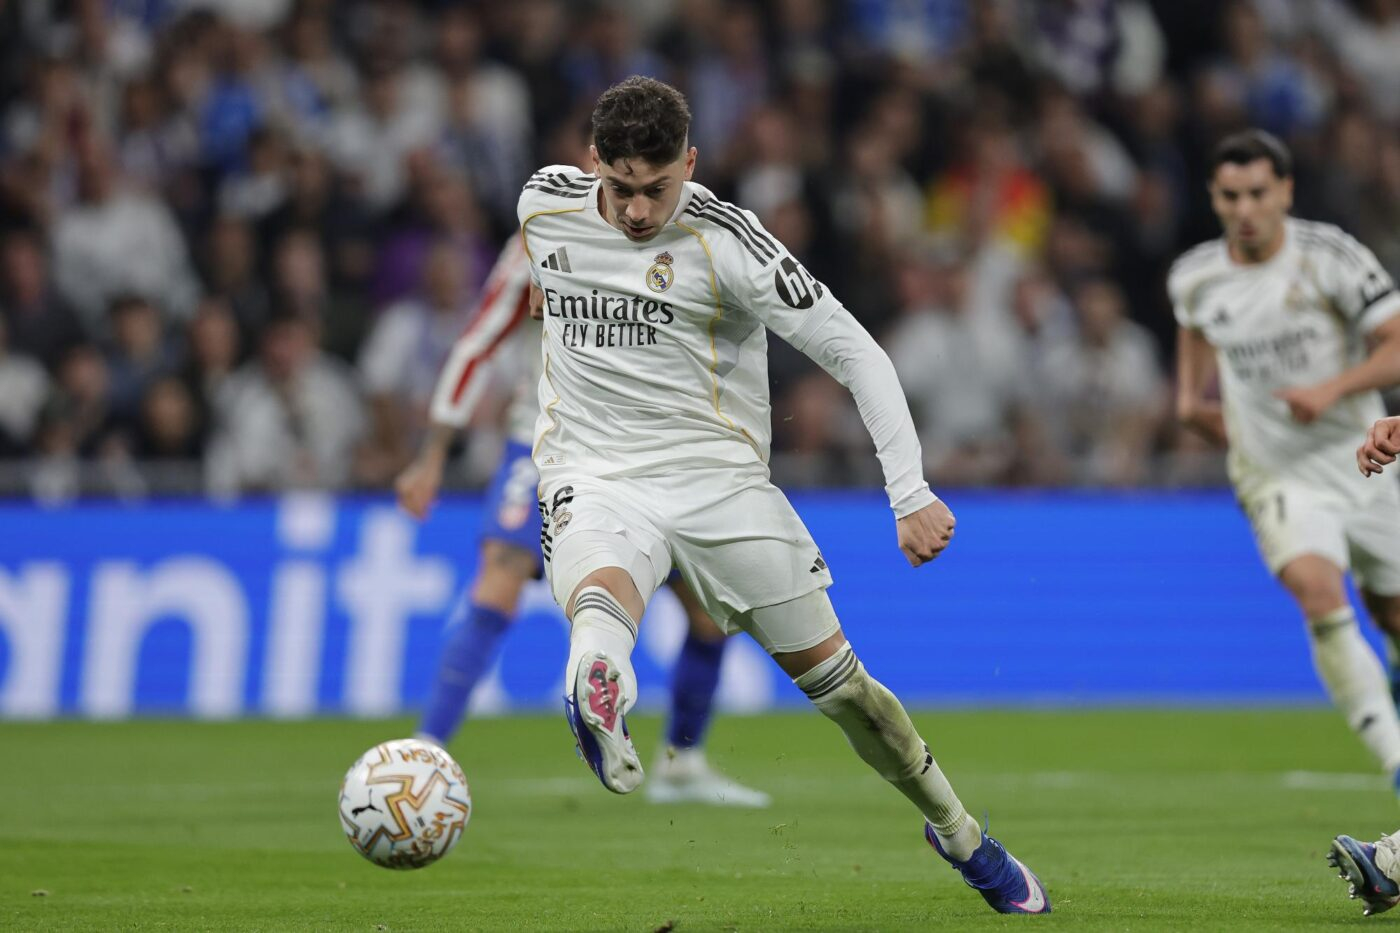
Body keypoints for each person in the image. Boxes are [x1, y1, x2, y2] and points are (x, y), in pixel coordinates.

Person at [518, 75, 1049, 914]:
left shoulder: (732, 244)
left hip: (721, 486)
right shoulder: (544, 206)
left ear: (691, 164)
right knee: (599, 594)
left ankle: (959, 832)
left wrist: (908, 490)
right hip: (596, 471)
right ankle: (597, 680)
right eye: (620, 188)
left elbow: (856, 353)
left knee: (847, 693)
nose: (637, 210)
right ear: (593, 164)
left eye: (658, 188)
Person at [395, 233, 770, 808]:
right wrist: (433, 453)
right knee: (500, 575)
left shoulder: (673, 237)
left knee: (708, 613)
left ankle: (682, 761)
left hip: (642, 452)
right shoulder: (542, 233)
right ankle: (426, 752)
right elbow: (480, 339)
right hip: (546, 439)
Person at [1171, 129, 1400, 790]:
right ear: (1214, 197)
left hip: (1363, 461)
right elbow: (1191, 387)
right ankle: (1395, 760)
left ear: (1286, 192)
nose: (1244, 209)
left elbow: (1395, 345)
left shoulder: (1331, 258)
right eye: (1230, 196)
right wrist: (1209, 416)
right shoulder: (1195, 278)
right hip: (1278, 478)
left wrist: (1332, 390)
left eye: (1257, 193)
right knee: (1316, 589)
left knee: (1391, 612)